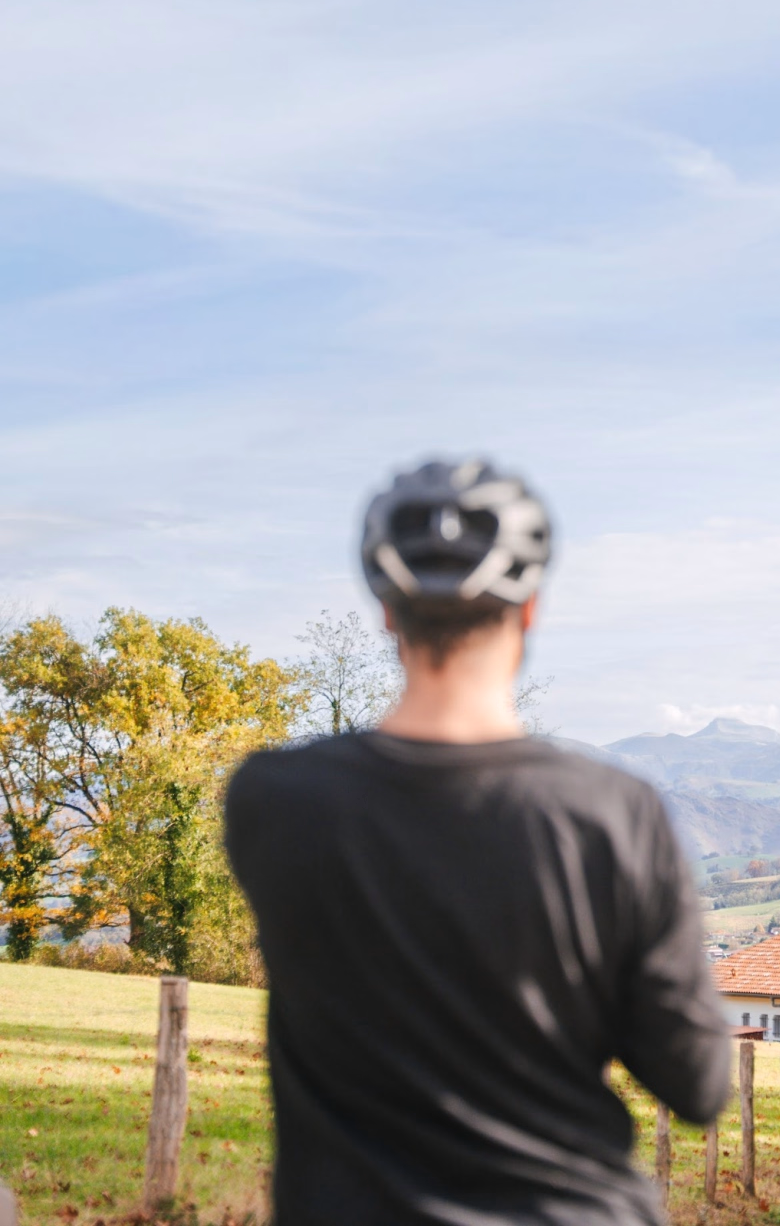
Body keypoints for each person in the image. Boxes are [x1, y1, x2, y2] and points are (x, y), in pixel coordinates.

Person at [227, 458, 731, 1225]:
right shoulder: (615, 814)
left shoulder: (273, 798)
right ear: (528, 613)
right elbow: (698, 1083)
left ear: (388, 614)